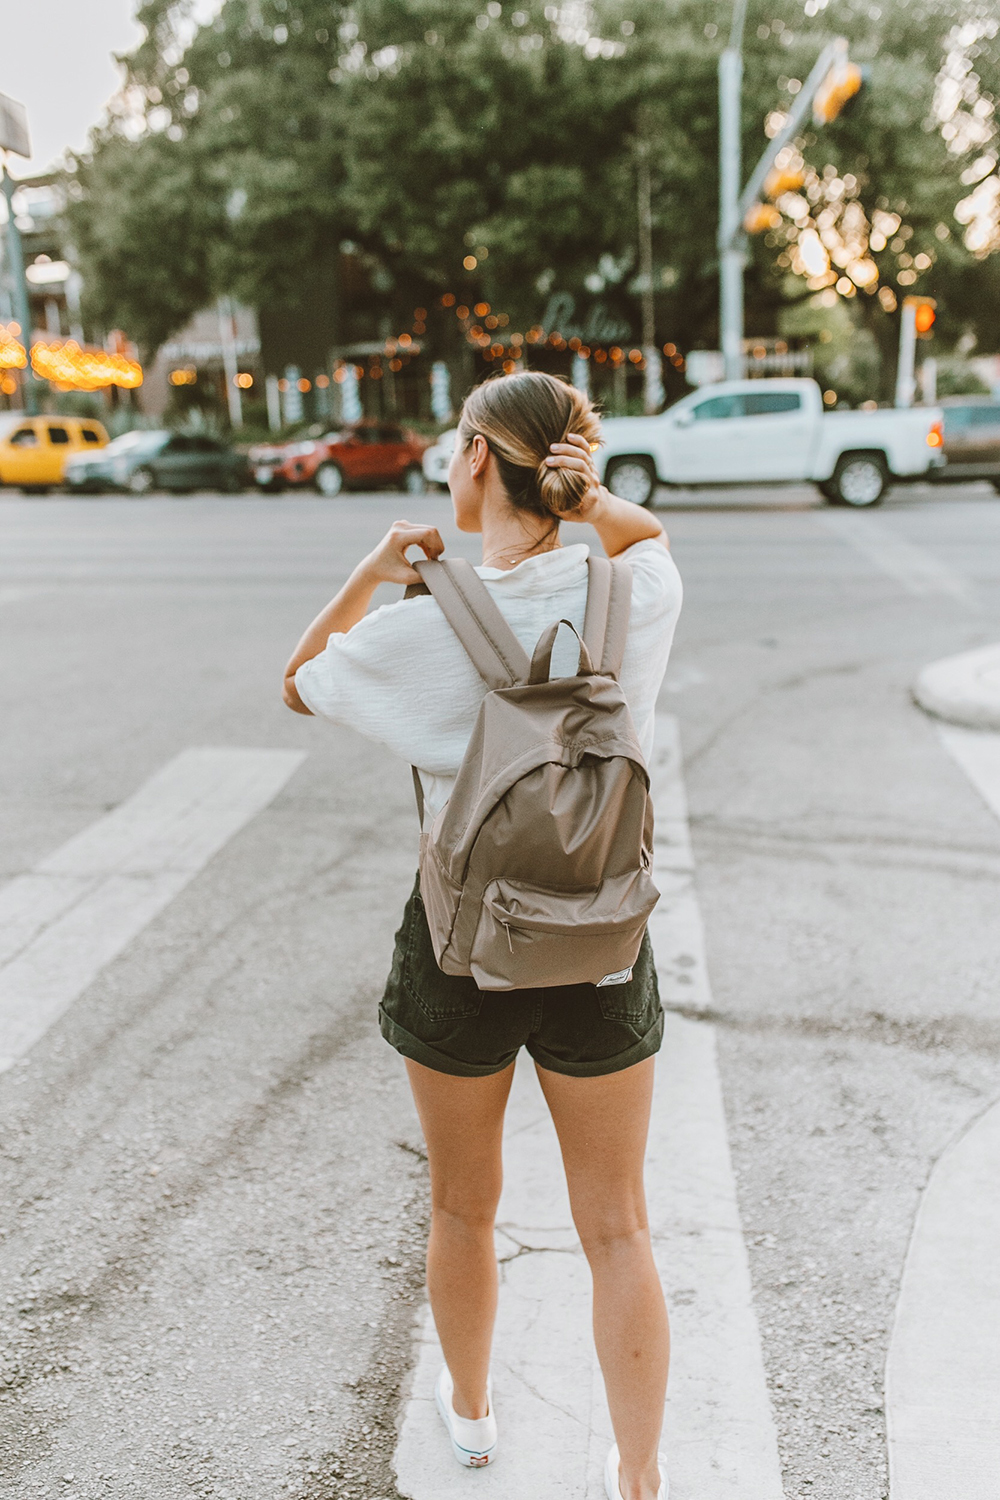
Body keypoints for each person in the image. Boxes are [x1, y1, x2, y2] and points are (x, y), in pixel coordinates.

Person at [282, 371, 682, 1500]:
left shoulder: (420, 630)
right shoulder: (637, 588)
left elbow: (298, 683)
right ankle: (640, 1472)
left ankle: (469, 1417)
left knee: (463, 1204)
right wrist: (578, 499)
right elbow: (642, 532)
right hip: (603, 938)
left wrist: (373, 570)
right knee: (617, 1227)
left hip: (462, 946)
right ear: (569, 468)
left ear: (470, 461)